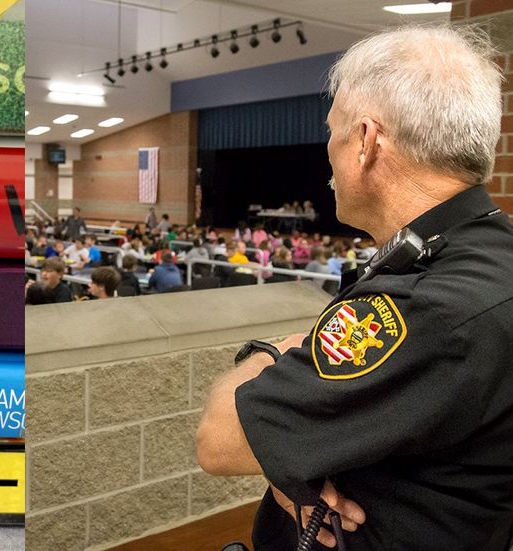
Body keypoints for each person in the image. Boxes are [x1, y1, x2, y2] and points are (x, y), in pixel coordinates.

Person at [196, 25, 513, 551]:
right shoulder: (488, 258)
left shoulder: (428, 306)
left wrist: (273, 352)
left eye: (332, 130)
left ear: (366, 141)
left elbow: (221, 435)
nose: (328, 151)